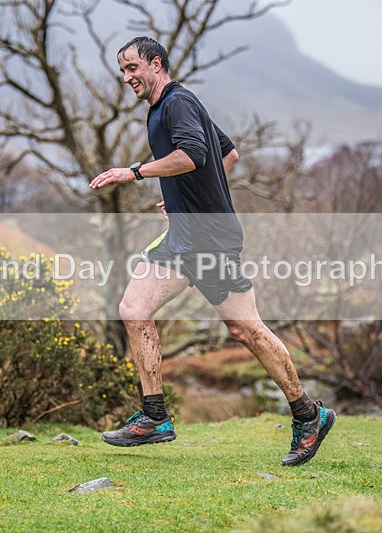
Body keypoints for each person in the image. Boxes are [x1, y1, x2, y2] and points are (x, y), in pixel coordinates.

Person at [89, 37, 334, 467]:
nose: (126, 77)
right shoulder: (167, 107)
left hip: (211, 240)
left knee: (247, 331)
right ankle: (154, 417)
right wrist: (189, 194)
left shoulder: (178, 103)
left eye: (132, 67)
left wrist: (134, 172)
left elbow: (193, 154)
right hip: (185, 235)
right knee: (133, 308)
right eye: (122, 70)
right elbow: (227, 153)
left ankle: (309, 416)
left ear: (156, 64)